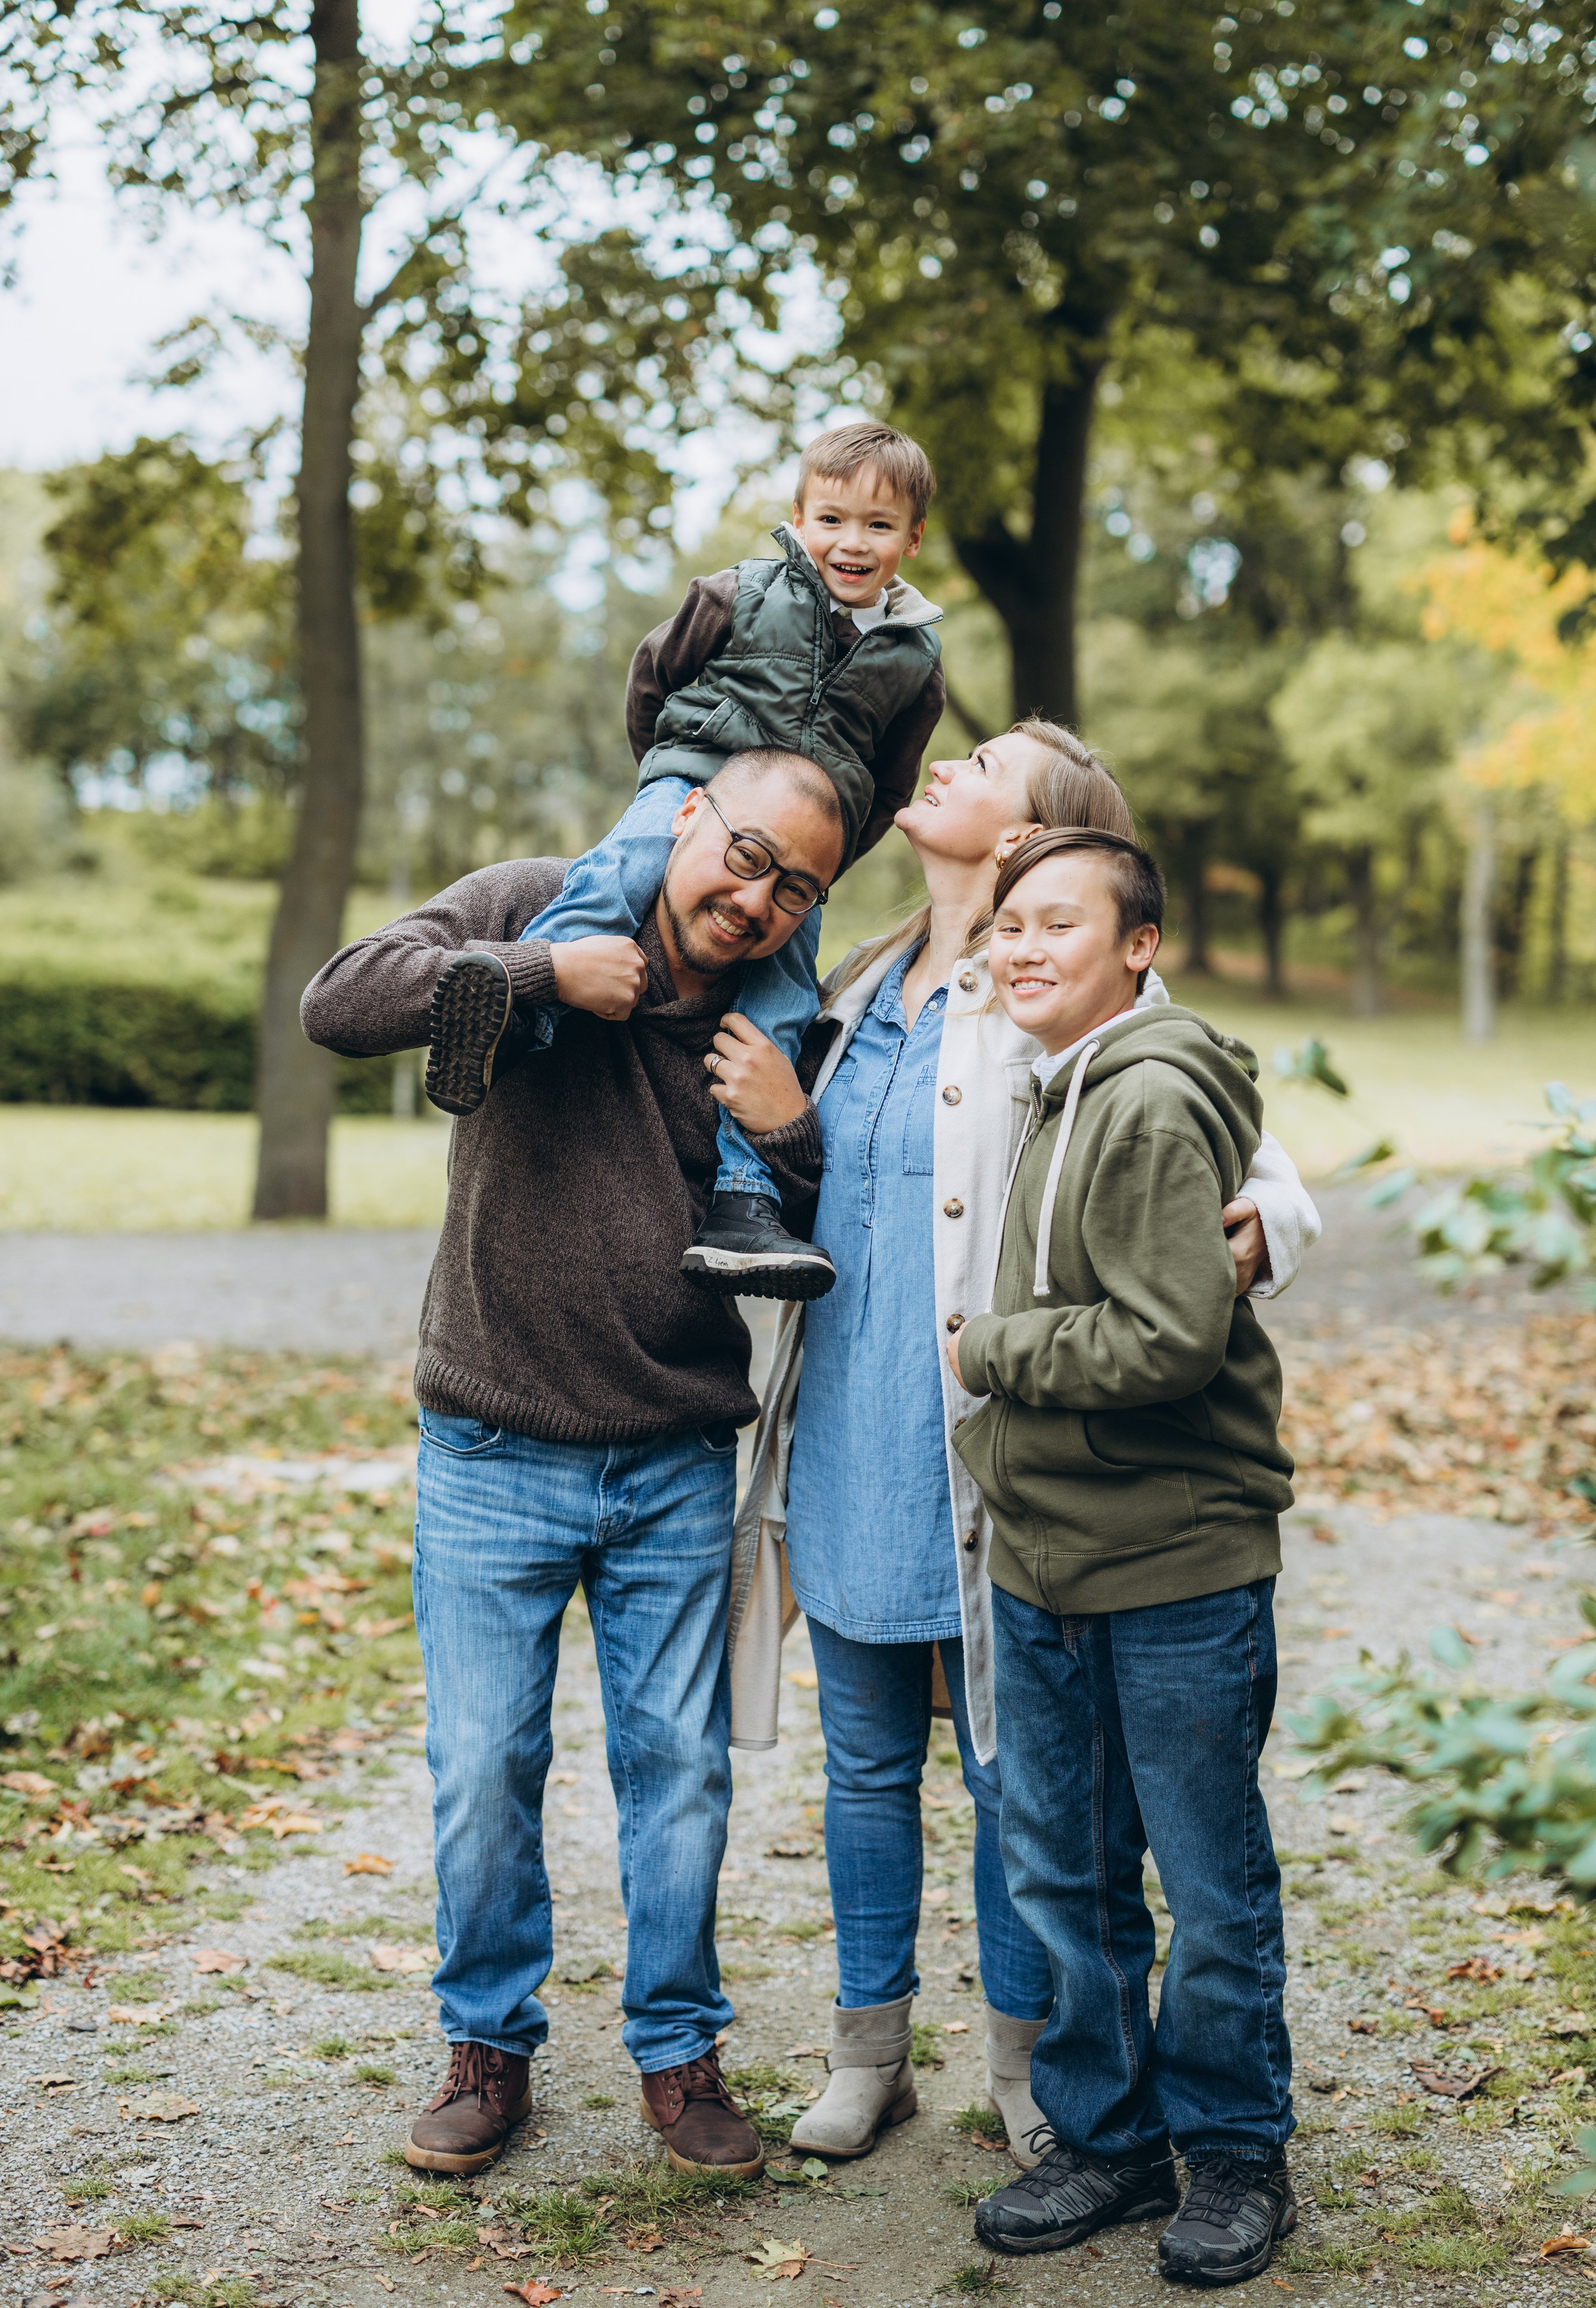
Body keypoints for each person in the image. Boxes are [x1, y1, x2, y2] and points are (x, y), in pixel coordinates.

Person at [717, 725, 1318, 2169]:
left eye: (984, 760)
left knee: (1012, 1775)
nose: (942, 764)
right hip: (850, 1413)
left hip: (996, 1432)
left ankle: (1027, 2057)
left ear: (1035, 834)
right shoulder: (854, 985)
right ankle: (869, 2051)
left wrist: (1259, 1238)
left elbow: (1251, 1160)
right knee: (862, 1761)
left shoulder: (1065, 985)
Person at [299, 749, 846, 2183]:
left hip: (670, 1455)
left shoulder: (776, 1014)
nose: (756, 897)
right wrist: (544, 980)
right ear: (684, 819)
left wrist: (789, 1128)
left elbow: (820, 1230)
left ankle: (679, 2054)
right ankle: (486, 2050)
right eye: (744, 853)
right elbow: (340, 1000)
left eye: (796, 886)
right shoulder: (539, 901)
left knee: (681, 1774)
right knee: (484, 1765)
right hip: (490, 1441)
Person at [948, 827, 1298, 2288]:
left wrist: (991, 1350)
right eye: (1007, 924)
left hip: (1171, 1564)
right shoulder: (1051, 1083)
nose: (1021, 948)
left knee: (1206, 1884)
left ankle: (1229, 2152)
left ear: (1137, 947)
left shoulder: (1144, 1100)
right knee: (1067, 1871)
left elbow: (1165, 1339)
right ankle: (1103, 2136)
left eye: (1057, 925)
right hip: (1044, 1556)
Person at [420, 420, 947, 1305]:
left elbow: (891, 785)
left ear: (913, 539)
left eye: (879, 526)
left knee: (780, 1001)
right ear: (798, 516)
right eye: (832, 519)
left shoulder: (915, 656)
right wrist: (666, 777)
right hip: (696, 784)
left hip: (798, 851)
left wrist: (824, 861)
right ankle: (522, 1015)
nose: (852, 543)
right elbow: (653, 676)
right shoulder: (740, 592)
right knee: (614, 877)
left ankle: (743, 1200)